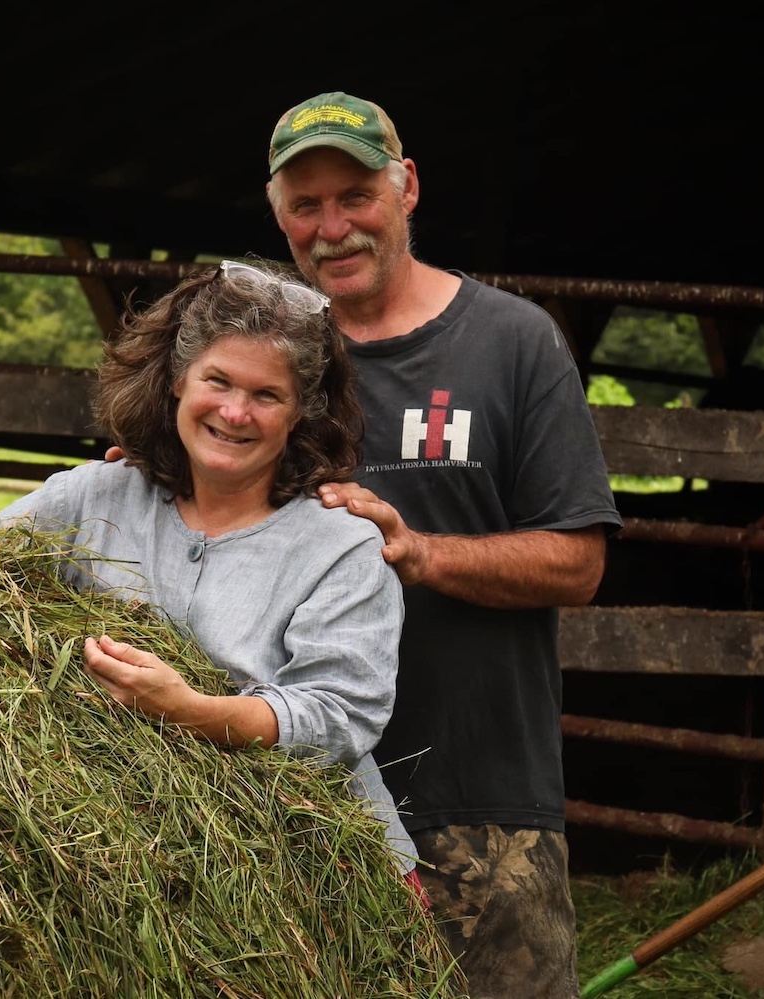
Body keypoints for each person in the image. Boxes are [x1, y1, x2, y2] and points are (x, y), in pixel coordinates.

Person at [262, 92, 625, 998]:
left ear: (407, 186)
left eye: (355, 195)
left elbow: (578, 563)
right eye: (306, 206)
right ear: (278, 214)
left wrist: (419, 553)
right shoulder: (267, 360)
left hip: (484, 805)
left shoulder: (511, 341)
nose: (333, 227)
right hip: (295, 797)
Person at [0, 259, 420, 885]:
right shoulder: (94, 497)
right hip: (124, 858)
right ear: (178, 378)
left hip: (310, 878)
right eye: (219, 381)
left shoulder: (340, 548)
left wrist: (191, 711)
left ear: (300, 412)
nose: (235, 413)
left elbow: (339, 717)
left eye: (267, 395)